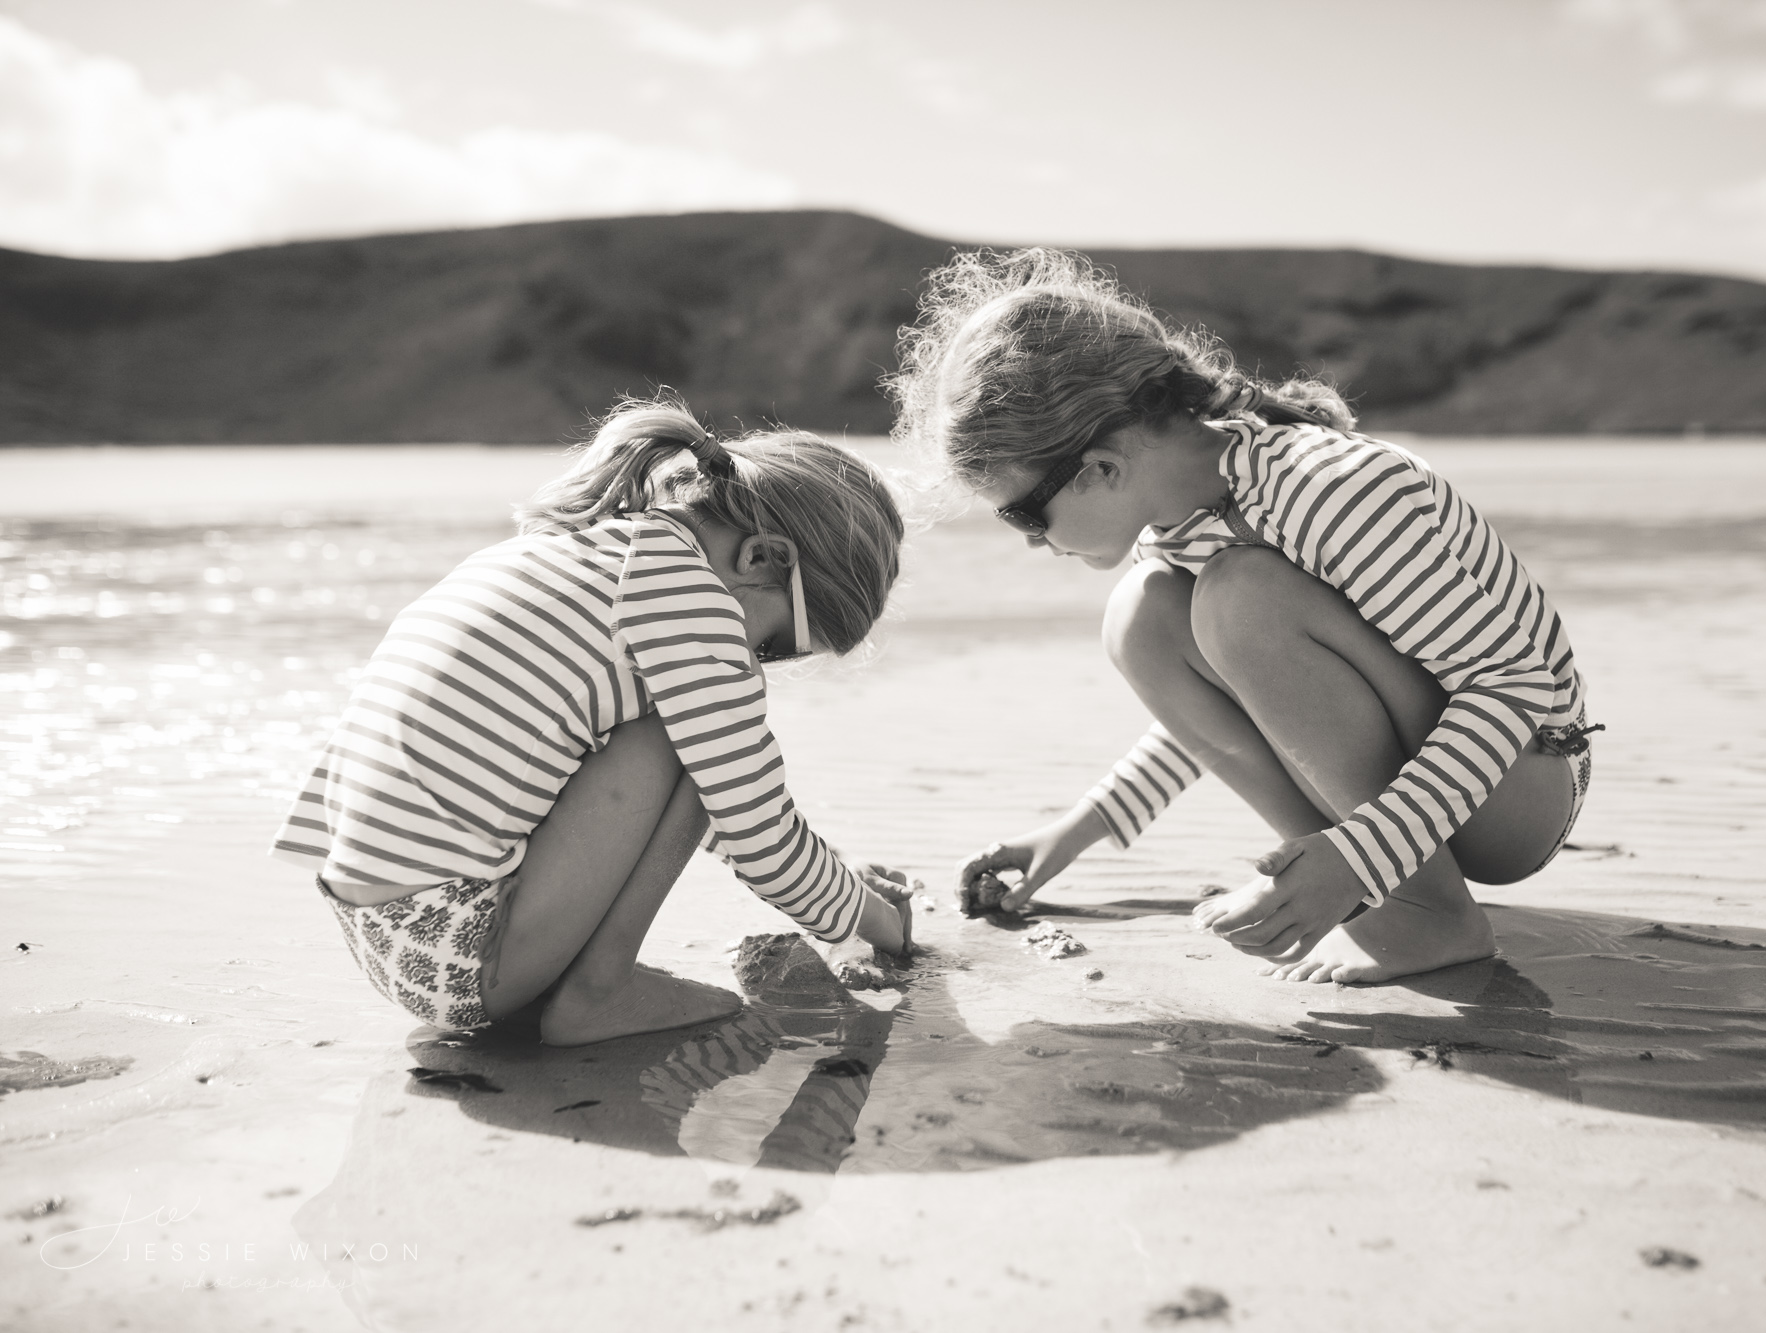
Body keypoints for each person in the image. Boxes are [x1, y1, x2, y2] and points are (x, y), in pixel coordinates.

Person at [891, 250, 1597, 986]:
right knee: (1142, 617)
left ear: (1100, 467)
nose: (1034, 543)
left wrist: (1361, 854)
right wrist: (1080, 828)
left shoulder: (1328, 491)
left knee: (1238, 596)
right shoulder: (1180, 527)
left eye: (1023, 515)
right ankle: (1384, 888)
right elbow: (1246, 704)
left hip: (1525, 784)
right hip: (1440, 795)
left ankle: (1422, 910)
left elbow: (1513, 684)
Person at [272, 393, 915, 1044]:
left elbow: (721, 806)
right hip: (458, 955)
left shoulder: (580, 552)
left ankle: (552, 986)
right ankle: (597, 991)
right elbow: (759, 836)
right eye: (775, 645)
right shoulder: (691, 607)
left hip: (384, 936)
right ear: (762, 557)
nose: (758, 662)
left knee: (696, 742)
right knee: (680, 738)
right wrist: (882, 926)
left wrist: (839, 876)